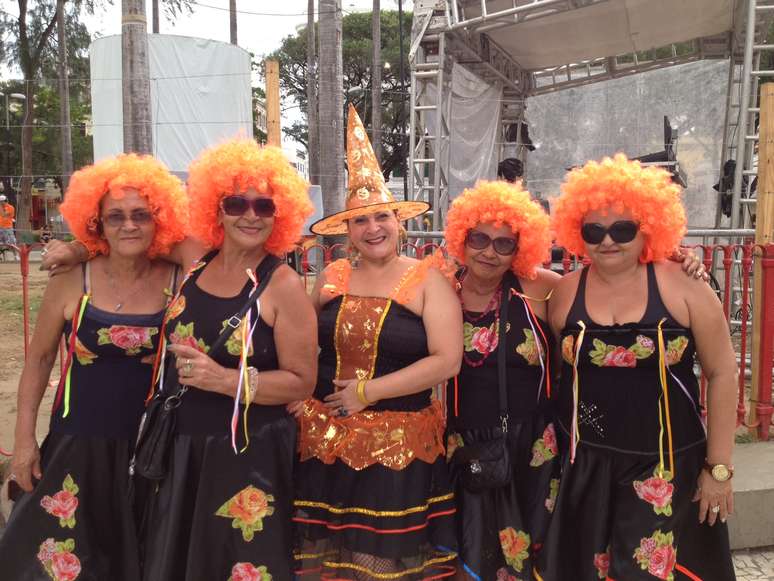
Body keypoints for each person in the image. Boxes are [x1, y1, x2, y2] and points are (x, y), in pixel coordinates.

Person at [539, 155, 737, 580]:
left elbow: (723, 373)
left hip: (669, 468)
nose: (607, 240)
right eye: (594, 230)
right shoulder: (563, 293)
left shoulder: (685, 284)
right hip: (587, 468)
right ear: (577, 232)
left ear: (648, 225)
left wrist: (718, 468)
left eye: (623, 229)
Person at [290, 105, 462, 580]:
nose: (373, 228)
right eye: (360, 220)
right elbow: (301, 344)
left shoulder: (429, 278)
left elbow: (448, 361)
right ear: (346, 230)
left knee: (375, 563)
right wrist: (296, 394)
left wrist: (368, 392)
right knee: (318, 559)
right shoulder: (331, 275)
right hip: (321, 439)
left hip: (396, 445)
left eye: (381, 216)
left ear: (399, 221)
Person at [0, 154, 189, 581]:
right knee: (57, 560)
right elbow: (40, 358)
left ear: (160, 219)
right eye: (115, 217)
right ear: (96, 222)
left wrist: (82, 243)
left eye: (142, 215)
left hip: (156, 447)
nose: (129, 225)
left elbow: (198, 244)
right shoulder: (72, 280)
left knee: (144, 558)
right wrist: (24, 440)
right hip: (77, 442)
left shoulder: (180, 278)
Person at [139, 139, 318, 581]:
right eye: (236, 203)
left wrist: (224, 380)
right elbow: (129, 237)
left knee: (239, 561)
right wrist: (76, 250)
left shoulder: (283, 285)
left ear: (280, 216)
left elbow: (301, 381)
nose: (250, 215)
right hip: (180, 445)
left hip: (245, 451)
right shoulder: (194, 259)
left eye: (264, 206)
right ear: (215, 209)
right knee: (178, 557)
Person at [442, 180, 560, 581]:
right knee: (471, 552)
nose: (489, 252)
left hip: (532, 446)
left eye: (504, 244)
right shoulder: (442, 289)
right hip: (465, 444)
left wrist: (673, 258)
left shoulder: (540, 289)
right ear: (463, 237)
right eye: (479, 238)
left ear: (521, 249)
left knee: (530, 552)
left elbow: (603, 294)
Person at [0, 193, 18, 260]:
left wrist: (0, 206)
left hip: (8, 228)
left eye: (2, 201)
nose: (1, 203)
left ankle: (15, 256)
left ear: (5, 201)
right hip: (0, 227)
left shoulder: (10, 207)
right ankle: (2, 256)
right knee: (1, 243)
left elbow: (3, 215)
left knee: (12, 242)